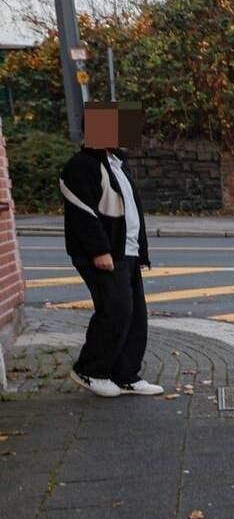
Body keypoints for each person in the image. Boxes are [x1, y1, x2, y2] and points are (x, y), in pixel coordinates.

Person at [60, 104, 162, 397]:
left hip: (126, 251)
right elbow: (82, 213)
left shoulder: (118, 162)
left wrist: (140, 252)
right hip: (106, 253)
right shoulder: (81, 166)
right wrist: (99, 251)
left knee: (136, 315)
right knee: (115, 310)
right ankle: (89, 370)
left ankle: (126, 374)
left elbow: (131, 210)